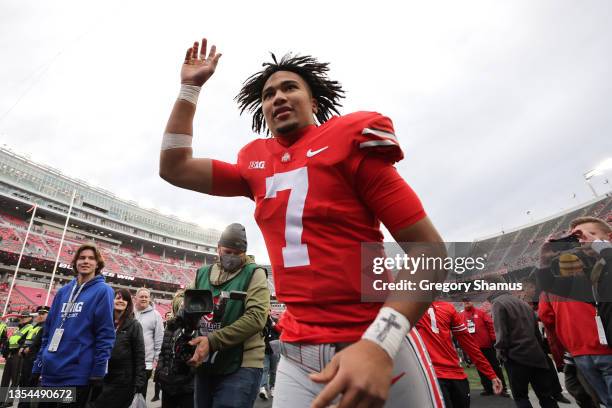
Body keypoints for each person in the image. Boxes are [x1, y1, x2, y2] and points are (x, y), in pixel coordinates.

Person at [159, 38, 446, 408]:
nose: (278, 96)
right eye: (269, 93)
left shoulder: (350, 142)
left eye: (290, 87)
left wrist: (381, 341)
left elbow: (430, 252)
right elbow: (174, 167)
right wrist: (190, 88)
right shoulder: (255, 165)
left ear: (313, 102)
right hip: (297, 356)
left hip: (370, 340)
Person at [187, 223, 270, 407]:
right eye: (227, 251)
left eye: (237, 253)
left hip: (242, 363)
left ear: (245, 253)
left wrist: (213, 340)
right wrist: (182, 307)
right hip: (206, 361)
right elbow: (182, 298)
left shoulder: (255, 273)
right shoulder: (203, 273)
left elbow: (257, 317)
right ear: (218, 248)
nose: (231, 257)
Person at [32, 243, 115, 408]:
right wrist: (38, 364)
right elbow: (47, 333)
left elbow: (105, 334)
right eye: (82, 257)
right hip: (50, 371)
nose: (86, 261)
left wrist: (99, 370)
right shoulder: (63, 292)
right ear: (75, 262)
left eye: (91, 258)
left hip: (77, 373)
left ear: (97, 264)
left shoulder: (103, 290)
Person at [417, 301, 503, 408]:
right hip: (436, 376)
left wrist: (491, 374)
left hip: (447, 375)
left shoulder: (447, 307)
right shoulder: (446, 307)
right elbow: (469, 345)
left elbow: (469, 344)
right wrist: (491, 374)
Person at [488, 286, 559, 408]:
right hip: (535, 355)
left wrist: (500, 355)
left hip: (516, 357)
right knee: (546, 396)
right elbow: (537, 335)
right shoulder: (523, 303)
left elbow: (501, 335)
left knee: (520, 397)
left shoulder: (498, 304)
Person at [538, 290, 612, 407]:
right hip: (603, 344)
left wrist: (559, 359)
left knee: (606, 399)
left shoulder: (548, 289)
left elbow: (547, 319)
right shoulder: (594, 275)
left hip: (579, 350)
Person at [94, 288, 146, 408]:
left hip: (122, 381)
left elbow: (139, 355)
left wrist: (139, 382)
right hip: (101, 376)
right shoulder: (103, 322)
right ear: (111, 301)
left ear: (128, 303)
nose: (121, 301)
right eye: (118, 298)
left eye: (124, 299)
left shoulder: (134, 325)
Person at [460, 298, 509, 397]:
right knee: (480, 369)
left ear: (472, 301)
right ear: (462, 303)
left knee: (495, 367)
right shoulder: (461, 316)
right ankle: (488, 388)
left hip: (487, 347)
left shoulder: (481, 313)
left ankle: (502, 388)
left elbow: (491, 326)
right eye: (465, 301)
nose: (467, 302)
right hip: (473, 348)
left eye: (468, 300)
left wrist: (494, 341)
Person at [156, 291, 194, 408]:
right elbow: (164, 352)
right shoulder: (170, 326)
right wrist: (161, 373)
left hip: (187, 386)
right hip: (168, 384)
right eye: (180, 307)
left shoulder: (194, 328)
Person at [133, 287, 164, 397]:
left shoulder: (156, 315)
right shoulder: (130, 313)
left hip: (146, 362)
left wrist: (158, 360)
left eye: (146, 297)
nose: (144, 299)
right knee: (126, 394)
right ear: (135, 298)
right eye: (141, 296)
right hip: (128, 360)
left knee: (141, 394)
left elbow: (159, 339)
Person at [18, 306, 49, 408]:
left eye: (42, 314)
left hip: (35, 359)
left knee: (29, 385)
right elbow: (26, 340)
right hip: (28, 358)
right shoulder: (35, 327)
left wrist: (29, 348)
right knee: (23, 383)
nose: (39, 316)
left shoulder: (46, 327)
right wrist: (23, 347)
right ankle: (22, 404)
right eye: (39, 313)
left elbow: (39, 344)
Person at [1, 312, 33, 407]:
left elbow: (26, 341)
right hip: (11, 354)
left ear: (30, 318)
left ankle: (10, 401)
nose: (22, 319)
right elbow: (11, 340)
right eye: (21, 317)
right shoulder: (20, 328)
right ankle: (1, 399)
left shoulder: (29, 328)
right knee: (5, 379)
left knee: (15, 379)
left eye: (24, 317)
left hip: (18, 356)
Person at [259, 312, 281, 400]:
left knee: (273, 370)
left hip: (275, 350)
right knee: (265, 369)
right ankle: (263, 388)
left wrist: (273, 324)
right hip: (265, 349)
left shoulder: (278, 323)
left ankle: (272, 388)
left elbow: (280, 330)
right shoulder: (265, 322)